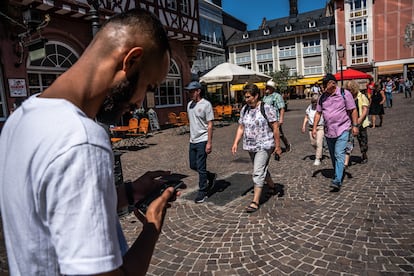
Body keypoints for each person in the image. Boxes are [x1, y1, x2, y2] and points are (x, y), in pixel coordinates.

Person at [0, 9, 182, 275]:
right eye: (149, 87)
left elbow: (55, 212)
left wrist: (131, 193)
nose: (140, 102)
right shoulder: (82, 138)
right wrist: (152, 227)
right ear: (130, 61)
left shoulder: (19, 120)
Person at [231, 83, 282, 213]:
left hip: (265, 144)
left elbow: (275, 128)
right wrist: (235, 142)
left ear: (256, 96)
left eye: (249, 97)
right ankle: (272, 186)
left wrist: (277, 146)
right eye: (245, 97)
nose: (246, 99)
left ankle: (255, 202)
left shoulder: (267, 108)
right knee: (261, 167)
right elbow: (241, 127)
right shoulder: (245, 109)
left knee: (258, 171)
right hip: (250, 145)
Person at [312, 74, 359, 192]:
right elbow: (318, 113)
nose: (322, 87)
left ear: (332, 83)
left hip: (343, 128)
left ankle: (337, 180)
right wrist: (314, 128)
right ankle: (339, 171)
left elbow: (353, 110)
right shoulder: (322, 97)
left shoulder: (344, 94)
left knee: (339, 154)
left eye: (324, 84)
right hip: (329, 131)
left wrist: (355, 125)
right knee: (333, 155)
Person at [184, 81, 216, 203]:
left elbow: (210, 124)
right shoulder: (189, 105)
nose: (190, 93)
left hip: (203, 140)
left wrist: (209, 142)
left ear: (198, 91)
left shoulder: (206, 105)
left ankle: (203, 191)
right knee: (193, 165)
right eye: (189, 91)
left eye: (192, 91)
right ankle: (210, 176)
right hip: (193, 140)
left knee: (201, 167)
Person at [345, 80, 370, 165]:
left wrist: (359, 120)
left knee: (362, 139)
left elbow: (365, 110)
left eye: (350, 89)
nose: (349, 91)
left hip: (361, 123)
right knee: (348, 141)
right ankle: (346, 159)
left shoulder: (362, 96)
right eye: (347, 89)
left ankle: (364, 154)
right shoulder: (348, 98)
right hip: (349, 123)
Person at [262, 80, 292, 153]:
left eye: (268, 87)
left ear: (272, 88)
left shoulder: (277, 96)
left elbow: (281, 108)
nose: (266, 88)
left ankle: (287, 145)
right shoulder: (265, 97)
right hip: (267, 119)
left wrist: (281, 119)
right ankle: (272, 147)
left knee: (279, 134)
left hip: (275, 118)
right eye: (266, 87)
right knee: (269, 133)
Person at [301, 94, 324, 166]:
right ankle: (319, 151)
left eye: (316, 103)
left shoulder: (322, 107)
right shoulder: (309, 107)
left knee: (319, 142)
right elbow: (306, 117)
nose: (314, 104)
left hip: (320, 127)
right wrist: (304, 126)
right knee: (313, 143)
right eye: (313, 103)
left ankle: (317, 158)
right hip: (311, 127)